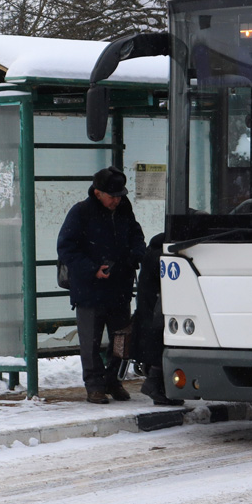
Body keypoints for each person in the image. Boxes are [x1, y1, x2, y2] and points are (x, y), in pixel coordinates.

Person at [58, 167, 145, 404]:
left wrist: (136, 254)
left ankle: (113, 380)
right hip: (90, 290)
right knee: (91, 342)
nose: (117, 200)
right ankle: (94, 386)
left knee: (121, 340)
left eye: (120, 195)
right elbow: (66, 248)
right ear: (97, 193)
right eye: (112, 195)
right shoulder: (81, 212)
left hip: (119, 288)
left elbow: (137, 235)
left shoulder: (124, 209)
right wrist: (92, 269)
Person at [133, 234, 172, 406]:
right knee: (161, 344)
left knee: (159, 345)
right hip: (156, 311)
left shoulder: (153, 253)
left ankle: (157, 387)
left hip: (151, 310)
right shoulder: (160, 257)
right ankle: (153, 385)